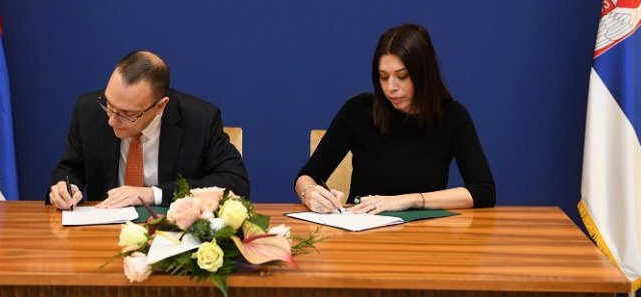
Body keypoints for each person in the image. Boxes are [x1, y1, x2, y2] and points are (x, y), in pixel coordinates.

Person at [295, 24, 495, 214]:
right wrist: (309, 193)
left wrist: (411, 200)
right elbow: (306, 176)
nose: (391, 87)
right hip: (362, 230)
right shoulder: (357, 110)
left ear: (424, 74)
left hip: (424, 232)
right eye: (383, 76)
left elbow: (483, 191)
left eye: (402, 76)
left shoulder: (452, 116)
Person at [48, 51, 249, 210]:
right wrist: (65, 187)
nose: (111, 120)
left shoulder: (200, 119)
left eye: (127, 113)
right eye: (108, 104)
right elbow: (69, 168)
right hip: (104, 229)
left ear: (160, 106)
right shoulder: (87, 110)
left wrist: (153, 193)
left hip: (173, 233)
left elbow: (235, 183)